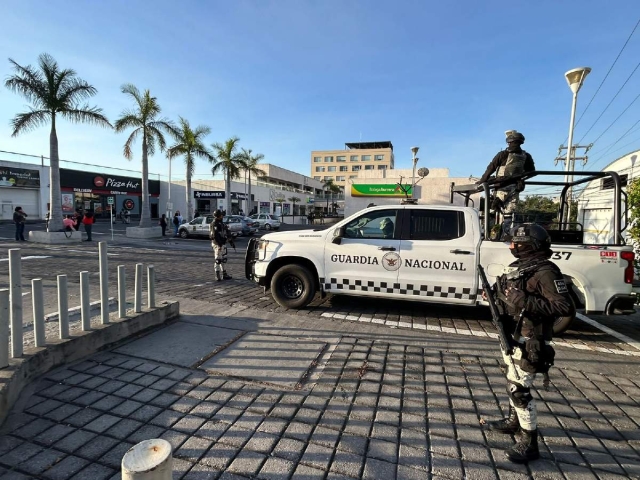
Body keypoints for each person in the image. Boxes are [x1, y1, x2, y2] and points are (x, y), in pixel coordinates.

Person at [486, 223, 574, 463]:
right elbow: (506, 294)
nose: (512, 247)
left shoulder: (547, 272)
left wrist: (526, 301)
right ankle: (514, 422)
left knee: (520, 391)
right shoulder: (519, 267)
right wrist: (495, 295)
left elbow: (564, 307)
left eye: (515, 243)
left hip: (531, 339)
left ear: (528, 245)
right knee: (511, 380)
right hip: (512, 334)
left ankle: (529, 442)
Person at [479, 131, 535, 234]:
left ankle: (492, 232)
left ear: (509, 142)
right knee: (508, 213)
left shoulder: (503, 154)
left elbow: (490, 168)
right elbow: (532, 172)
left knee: (494, 210)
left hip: (502, 187)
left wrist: (482, 181)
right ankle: (504, 232)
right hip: (514, 188)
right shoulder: (526, 155)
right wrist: (521, 178)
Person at [209, 209, 232, 281]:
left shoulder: (221, 223)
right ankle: (217, 274)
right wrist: (219, 244)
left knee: (223, 259)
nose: (222, 216)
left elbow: (225, 231)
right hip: (217, 244)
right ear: (218, 216)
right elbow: (214, 235)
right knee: (218, 259)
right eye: (221, 215)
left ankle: (224, 274)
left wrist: (229, 238)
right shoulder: (214, 224)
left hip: (223, 243)